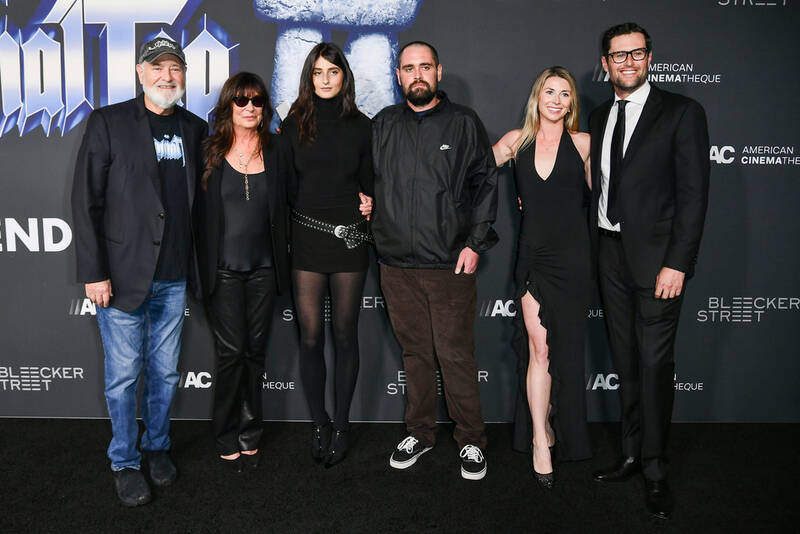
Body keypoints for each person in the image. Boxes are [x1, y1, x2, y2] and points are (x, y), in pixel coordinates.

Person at [71, 37, 207, 506]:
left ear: (184, 76)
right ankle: (125, 461)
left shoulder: (195, 127)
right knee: (124, 377)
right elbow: (85, 201)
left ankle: (157, 447)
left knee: (166, 375)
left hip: (173, 275)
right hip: (122, 276)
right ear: (139, 71)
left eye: (175, 69)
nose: (167, 76)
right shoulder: (109, 122)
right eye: (158, 68)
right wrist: (94, 272)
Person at [588, 23, 709, 519]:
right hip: (609, 255)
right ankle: (632, 453)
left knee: (656, 366)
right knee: (626, 361)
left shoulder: (682, 112)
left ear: (650, 57)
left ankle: (656, 469)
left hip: (659, 262)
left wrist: (678, 262)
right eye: (619, 56)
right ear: (606, 64)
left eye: (636, 54)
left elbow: (694, 196)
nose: (628, 63)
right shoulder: (597, 116)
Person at [372, 41, 498, 481]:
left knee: (455, 355)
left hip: (449, 263)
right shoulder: (384, 124)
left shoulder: (463, 122)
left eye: (425, 66)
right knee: (415, 355)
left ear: (439, 72)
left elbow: (485, 184)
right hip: (395, 265)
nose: (417, 75)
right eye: (409, 68)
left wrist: (475, 243)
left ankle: (471, 440)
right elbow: (368, 183)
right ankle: (420, 433)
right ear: (399, 74)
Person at [492, 66, 592, 489]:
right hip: (533, 258)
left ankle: (553, 424)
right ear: (537, 97)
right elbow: (467, 170)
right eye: (549, 91)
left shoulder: (584, 144)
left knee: (563, 351)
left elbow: (603, 203)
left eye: (564, 94)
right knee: (539, 349)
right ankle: (538, 439)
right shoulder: (516, 142)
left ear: (571, 103)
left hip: (574, 260)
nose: (556, 99)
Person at [280, 42, 374, 468]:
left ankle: (342, 426)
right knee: (312, 336)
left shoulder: (362, 125)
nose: (325, 79)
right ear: (309, 76)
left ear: (344, 76)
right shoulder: (294, 123)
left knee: (344, 334)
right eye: (318, 72)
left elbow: (370, 182)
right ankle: (319, 421)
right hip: (306, 239)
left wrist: (370, 202)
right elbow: (284, 186)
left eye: (333, 72)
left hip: (350, 239)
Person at [194, 72, 290, 472]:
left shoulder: (279, 149)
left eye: (257, 101)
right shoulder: (208, 151)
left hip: (266, 269)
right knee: (231, 354)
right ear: (228, 105)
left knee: (255, 354)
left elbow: (309, 192)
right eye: (241, 101)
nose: (250, 107)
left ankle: (252, 430)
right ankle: (224, 431)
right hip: (223, 270)